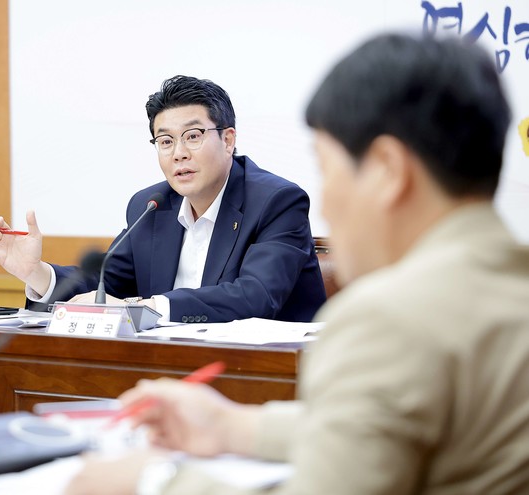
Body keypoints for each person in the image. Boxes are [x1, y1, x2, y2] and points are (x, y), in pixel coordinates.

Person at [64, 34, 529, 494]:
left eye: (327, 169)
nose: (325, 201)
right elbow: (379, 426)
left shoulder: (388, 319)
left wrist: (153, 480)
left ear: (388, 170)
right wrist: (232, 426)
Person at [0, 75, 326, 323]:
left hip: (268, 374)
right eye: (166, 141)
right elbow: (105, 284)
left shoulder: (277, 202)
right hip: (168, 368)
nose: (179, 153)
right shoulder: (152, 206)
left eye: (193, 136)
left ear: (228, 140)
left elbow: (256, 296)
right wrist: (37, 272)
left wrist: (146, 308)